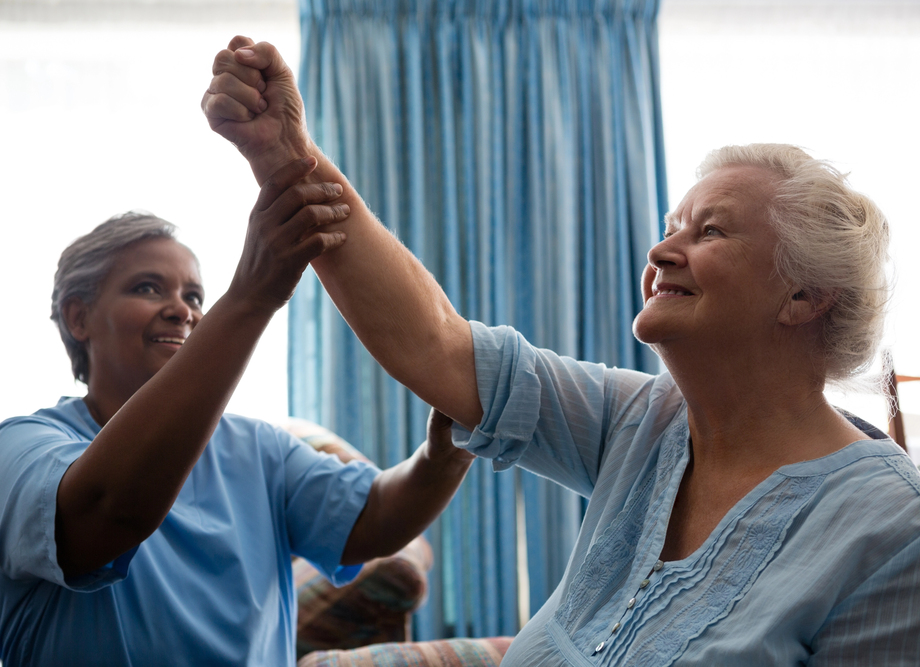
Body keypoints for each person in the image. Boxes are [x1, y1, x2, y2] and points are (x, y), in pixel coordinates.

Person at [202, 37, 920, 664]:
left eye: (710, 232)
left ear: (803, 296)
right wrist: (285, 155)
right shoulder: (640, 419)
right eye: (672, 226)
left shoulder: (891, 530)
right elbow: (437, 343)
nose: (661, 250)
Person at [0, 159, 475, 666]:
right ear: (78, 317)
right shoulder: (15, 449)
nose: (182, 309)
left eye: (194, 295)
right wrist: (250, 297)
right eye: (147, 288)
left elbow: (375, 517)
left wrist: (443, 455)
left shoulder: (260, 449)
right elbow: (106, 513)